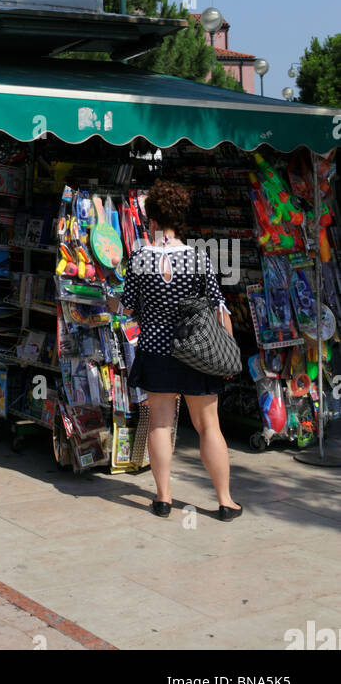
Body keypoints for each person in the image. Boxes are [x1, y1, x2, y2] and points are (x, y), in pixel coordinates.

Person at [111, 178, 243, 521]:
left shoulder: (140, 257)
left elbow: (126, 307)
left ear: (151, 218)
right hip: (198, 351)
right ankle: (226, 501)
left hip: (156, 351)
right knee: (209, 426)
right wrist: (227, 352)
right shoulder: (199, 256)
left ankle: (164, 497)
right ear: (181, 216)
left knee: (159, 423)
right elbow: (219, 308)